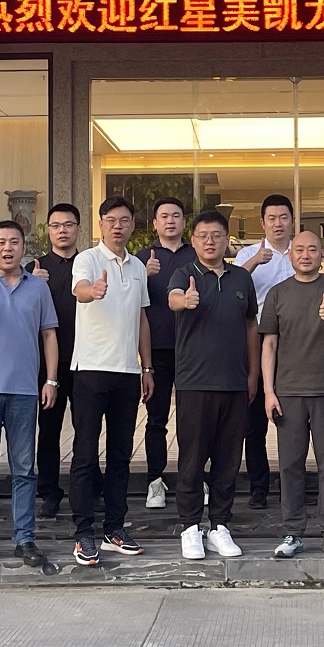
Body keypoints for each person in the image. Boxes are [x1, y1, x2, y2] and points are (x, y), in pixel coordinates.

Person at [0, 220, 60, 569]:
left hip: (24, 391)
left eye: (14, 242)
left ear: (23, 247)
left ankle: (25, 538)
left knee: (24, 469)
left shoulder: (38, 288)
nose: (8, 248)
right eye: (1, 242)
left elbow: (49, 335)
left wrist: (51, 380)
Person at [166, 209, 259, 560]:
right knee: (192, 458)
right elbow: (173, 298)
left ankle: (219, 525)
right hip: (195, 383)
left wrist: (253, 375)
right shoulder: (184, 273)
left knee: (228, 459)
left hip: (235, 382)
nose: (210, 241)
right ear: (193, 240)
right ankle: (190, 526)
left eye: (217, 235)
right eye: (203, 236)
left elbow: (251, 326)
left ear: (226, 241)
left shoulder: (241, 278)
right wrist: (185, 300)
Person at [68, 196, 154, 566]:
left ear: (133, 225)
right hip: (90, 369)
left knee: (121, 454)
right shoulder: (87, 260)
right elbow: (80, 290)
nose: (118, 226)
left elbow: (142, 319)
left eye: (124, 220)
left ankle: (114, 528)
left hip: (127, 372)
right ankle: (83, 532)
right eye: (111, 220)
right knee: (85, 453)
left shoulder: (137, 267)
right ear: (100, 224)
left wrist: (147, 368)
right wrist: (93, 292)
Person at [262, 230, 324, 560]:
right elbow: (269, 344)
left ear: (322, 253)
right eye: (299, 249)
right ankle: (293, 532)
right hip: (288, 392)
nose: (305, 255)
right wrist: (268, 391)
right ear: (290, 255)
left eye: (312, 249)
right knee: (290, 464)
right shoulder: (277, 293)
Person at [233, 194, 297, 509]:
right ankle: (259, 486)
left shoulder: (301, 251)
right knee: (254, 420)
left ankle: (291, 484)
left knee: (293, 419)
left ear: (292, 221)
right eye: (271, 218)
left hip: (295, 344)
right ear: (262, 222)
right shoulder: (247, 254)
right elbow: (232, 288)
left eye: (283, 217)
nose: (277, 223)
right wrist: (255, 261)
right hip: (256, 341)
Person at [25, 203, 86, 519]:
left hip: (86, 359)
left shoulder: (88, 264)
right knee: (48, 429)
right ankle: (49, 491)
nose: (62, 230)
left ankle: (86, 489)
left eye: (68, 224)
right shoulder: (34, 267)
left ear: (79, 228)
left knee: (86, 429)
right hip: (47, 364)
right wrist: (31, 283)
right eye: (56, 225)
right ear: (47, 230)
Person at [137, 196, 196, 511]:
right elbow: (127, 301)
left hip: (193, 349)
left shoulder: (196, 254)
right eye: (164, 216)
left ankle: (193, 479)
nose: (170, 221)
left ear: (184, 222)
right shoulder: (142, 258)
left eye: (176, 215)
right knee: (156, 419)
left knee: (193, 420)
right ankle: (154, 480)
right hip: (157, 349)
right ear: (155, 223)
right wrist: (142, 276)